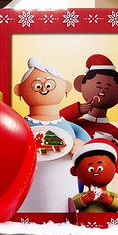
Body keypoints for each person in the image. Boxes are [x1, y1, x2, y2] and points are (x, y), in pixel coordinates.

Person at [13, 57, 90, 216]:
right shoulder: (20, 125)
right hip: (29, 183)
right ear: (19, 90)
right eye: (37, 85)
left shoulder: (70, 127)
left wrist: (80, 145)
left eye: (49, 84)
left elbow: (89, 146)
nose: (43, 88)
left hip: (64, 182)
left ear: (66, 87)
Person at [70, 138, 118, 215]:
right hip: (85, 222)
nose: (95, 171)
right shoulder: (84, 195)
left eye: (99, 168)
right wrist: (84, 199)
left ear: (116, 167)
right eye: (91, 169)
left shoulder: (110, 195)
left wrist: (109, 200)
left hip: (108, 222)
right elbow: (72, 205)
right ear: (75, 172)